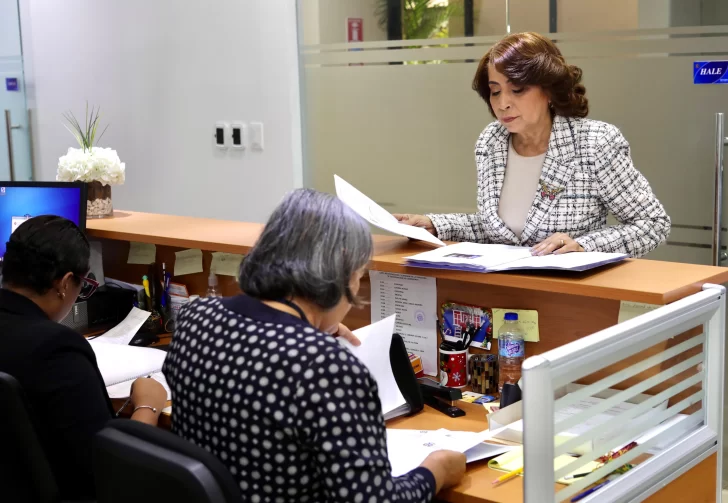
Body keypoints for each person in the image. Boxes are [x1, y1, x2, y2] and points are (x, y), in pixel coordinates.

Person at [163, 189, 466, 502]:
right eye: (359, 276)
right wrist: (435, 471)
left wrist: (314, 329)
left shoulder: (194, 318)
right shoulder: (323, 365)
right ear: (343, 275)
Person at [395, 32, 670, 258]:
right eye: (495, 91)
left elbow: (652, 225)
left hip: (574, 297)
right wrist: (434, 225)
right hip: (505, 293)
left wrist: (586, 246)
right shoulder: (491, 142)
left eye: (517, 89)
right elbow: (501, 230)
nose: (503, 103)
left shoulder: (595, 143)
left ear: (549, 90)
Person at [0, 216, 167, 500]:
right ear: (65, 283)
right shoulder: (57, 348)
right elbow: (108, 469)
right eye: (84, 285)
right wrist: (148, 406)